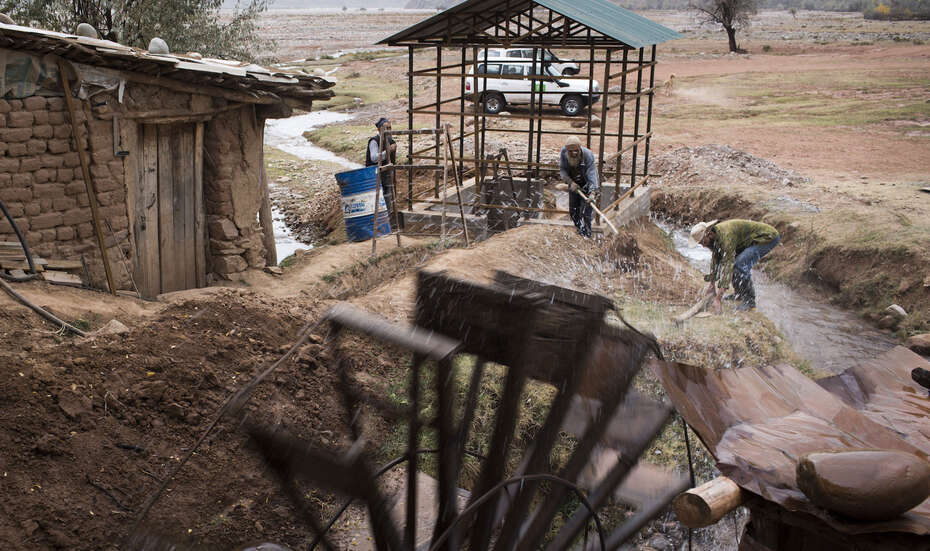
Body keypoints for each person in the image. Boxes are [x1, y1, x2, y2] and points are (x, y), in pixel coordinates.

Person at [690, 219, 780, 312]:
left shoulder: (726, 238)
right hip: (748, 240)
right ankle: (739, 294)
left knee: (739, 264)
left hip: (767, 237)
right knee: (736, 263)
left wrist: (718, 298)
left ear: (710, 235)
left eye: (704, 242)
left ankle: (750, 302)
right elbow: (716, 259)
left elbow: (727, 266)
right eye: (701, 244)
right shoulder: (716, 237)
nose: (704, 246)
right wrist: (712, 284)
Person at [558, 136, 599, 237]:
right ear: (567, 150)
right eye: (571, 151)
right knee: (573, 211)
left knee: (586, 213)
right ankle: (580, 232)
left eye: (576, 150)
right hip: (573, 184)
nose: (574, 153)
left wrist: (593, 192)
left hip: (588, 184)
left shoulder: (587, 155)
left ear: (580, 148)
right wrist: (570, 182)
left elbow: (592, 173)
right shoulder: (564, 153)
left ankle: (587, 236)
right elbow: (563, 170)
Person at [366, 117, 397, 216]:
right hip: (375, 173)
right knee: (378, 196)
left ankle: (386, 217)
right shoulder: (374, 141)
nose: (388, 130)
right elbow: (374, 158)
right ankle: (378, 218)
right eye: (386, 128)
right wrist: (387, 151)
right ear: (379, 129)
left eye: (390, 128)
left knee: (388, 194)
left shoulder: (391, 141)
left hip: (387, 173)